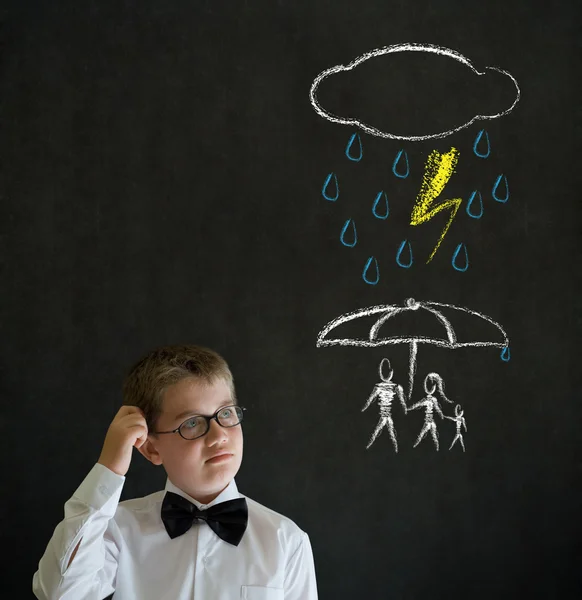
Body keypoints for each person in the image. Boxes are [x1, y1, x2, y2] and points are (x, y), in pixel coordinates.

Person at [32, 344, 318, 600]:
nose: (218, 436)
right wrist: (109, 467)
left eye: (226, 413)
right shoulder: (116, 530)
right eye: (192, 423)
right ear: (151, 450)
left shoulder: (286, 539)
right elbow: (61, 593)